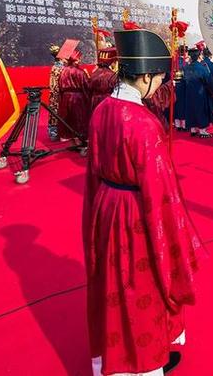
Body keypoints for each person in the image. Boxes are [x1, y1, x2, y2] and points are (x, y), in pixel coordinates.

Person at [83, 29, 200, 376]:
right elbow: (161, 191)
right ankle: (142, 365)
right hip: (136, 213)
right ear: (145, 76)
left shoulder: (103, 109)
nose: (160, 84)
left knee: (113, 286)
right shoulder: (143, 124)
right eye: (159, 78)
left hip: (106, 206)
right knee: (141, 288)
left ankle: (138, 357)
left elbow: (91, 172)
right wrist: (179, 241)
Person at [58, 49, 90, 141]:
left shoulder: (63, 71)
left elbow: (60, 86)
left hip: (65, 97)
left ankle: (65, 135)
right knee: (78, 117)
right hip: (78, 97)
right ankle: (78, 135)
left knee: (66, 117)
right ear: (77, 59)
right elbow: (86, 86)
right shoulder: (80, 72)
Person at [183, 47, 213, 138]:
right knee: (201, 109)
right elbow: (207, 80)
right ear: (198, 56)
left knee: (191, 109)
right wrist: (211, 91)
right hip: (200, 91)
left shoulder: (186, 68)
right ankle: (202, 130)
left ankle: (193, 129)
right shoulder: (201, 67)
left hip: (189, 91)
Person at [89, 47, 118, 112]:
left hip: (94, 101)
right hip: (108, 102)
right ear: (111, 62)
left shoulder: (94, 73)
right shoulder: (112, 75)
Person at [173, 47, 187, 131]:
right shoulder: (184, 62)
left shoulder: (173, 61)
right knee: (182, 104)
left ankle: (177, 124)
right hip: (182, 85)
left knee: (176, 104)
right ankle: (184, 125)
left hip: (174, 85)